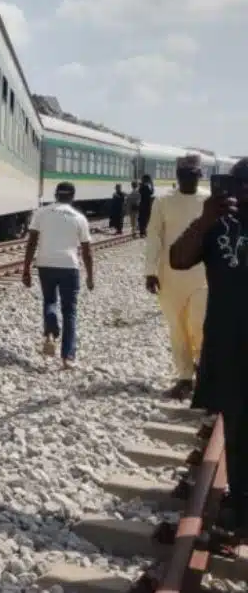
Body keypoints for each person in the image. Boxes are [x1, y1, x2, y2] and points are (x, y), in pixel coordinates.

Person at [169, 158, 248, 537]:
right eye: (237, 184)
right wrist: (203, 220)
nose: (242, 190)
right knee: (236, 425)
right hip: (227, 341)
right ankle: (241, 503)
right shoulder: (216, 224)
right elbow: (178, 259)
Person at [144, 154, 208, 401]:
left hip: (202, 276)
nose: (189, 179)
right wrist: (150, 271)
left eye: (193, 175)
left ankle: (204, 372)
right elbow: (154, 237)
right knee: (177, 327)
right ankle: (184, 378)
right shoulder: (163, 202)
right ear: (178, 176)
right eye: (184, 175)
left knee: (199, 324)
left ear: (199, 176)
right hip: (169, 276)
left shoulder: (208, 200)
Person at [22, 182, 95, 369]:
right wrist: (90, 276)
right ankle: (68, 357)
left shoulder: (41, 213)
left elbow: (31, 243)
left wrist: (26, 269)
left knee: (49, 301)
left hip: (45, 264)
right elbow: (87, 251)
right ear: (73, 197)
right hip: (69, 266)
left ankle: (51, 333)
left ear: (55, 195)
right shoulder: (79, 218)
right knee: (69, 311)